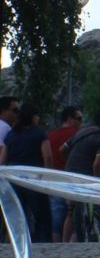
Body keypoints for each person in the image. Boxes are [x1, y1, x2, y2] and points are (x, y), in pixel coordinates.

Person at [61, 107, 100, 241]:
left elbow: (62, 149)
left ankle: (64, 243)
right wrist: (97, 181)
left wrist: (71, 163)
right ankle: (96, 219)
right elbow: (97, 164)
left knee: (70, 211)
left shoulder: (82, 132)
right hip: (85, 176)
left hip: (70, 173)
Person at [0, 103, 53, 241]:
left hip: (13, 179)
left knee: (18, 215)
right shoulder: (39, 133)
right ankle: (42, 242)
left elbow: (3, 159)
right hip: (34, 179)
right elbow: (47, 156)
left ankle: (19, 242)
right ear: (33, 117)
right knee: (41, 215)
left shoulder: (11, 135)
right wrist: (48, 176)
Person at [47, 105, 84, 242]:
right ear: (69, 118)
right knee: (74, 220)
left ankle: (55, 247)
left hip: (55, 179)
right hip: (72, 179)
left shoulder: (51, 136)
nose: (81, 122)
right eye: (79, 118)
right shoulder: (77, 135)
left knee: (56, 222)